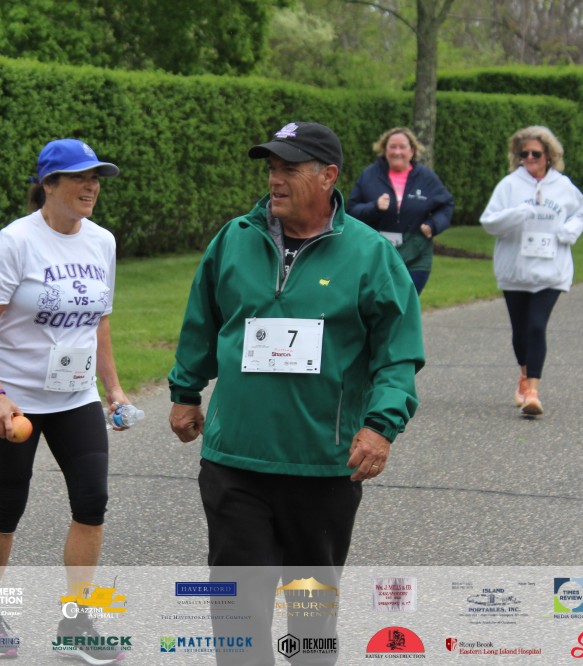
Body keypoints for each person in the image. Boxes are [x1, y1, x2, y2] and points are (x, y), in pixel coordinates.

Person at [167, 122, 425, 665]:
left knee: (310, 622)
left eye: (289, 169)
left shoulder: (370, 254)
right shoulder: (234, 239)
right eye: (271, 168)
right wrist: (186, 390)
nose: (274, 180)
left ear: (328, 176)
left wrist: (380, 426)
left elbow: (398, 353)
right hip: (236, 460)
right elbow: (202, 320)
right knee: (237, 614)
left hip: (322, 467)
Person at [0, 138, 132, 663]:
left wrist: (113, 389)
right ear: (49, 184)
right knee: (6, 506)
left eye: (97, 178)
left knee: (92, 501)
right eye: (81, 177)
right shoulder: (16, 241)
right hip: (14, 401)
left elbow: (100, 323)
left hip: (75, 396)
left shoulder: (102, 242)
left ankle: (76, 624)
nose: (92, 186)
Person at [480, 126, 583, 416]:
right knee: (520, 330)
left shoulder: (563, 186)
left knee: (536, 326)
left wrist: (569, 231)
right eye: (523, 153)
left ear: (549, 155)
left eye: (535, 154)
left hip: (551, 271)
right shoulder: (509, 185)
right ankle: (524, 374)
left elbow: (580, 213)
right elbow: (489, 222)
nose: (529, 158)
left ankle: (533, 392)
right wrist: (517, 214)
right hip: (515, 271)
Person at [346, 127, 454, 295]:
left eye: (402, 147)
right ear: (384, 150)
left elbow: (446, 205)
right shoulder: (369, 175)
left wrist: (433, 224)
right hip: (377, 254)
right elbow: (351, 211)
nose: (397, 152)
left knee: (406, 301)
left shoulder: (425, 177)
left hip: (416, 255)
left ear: (412, 151)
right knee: (379, 302)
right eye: (392, 146)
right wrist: (374, 207)